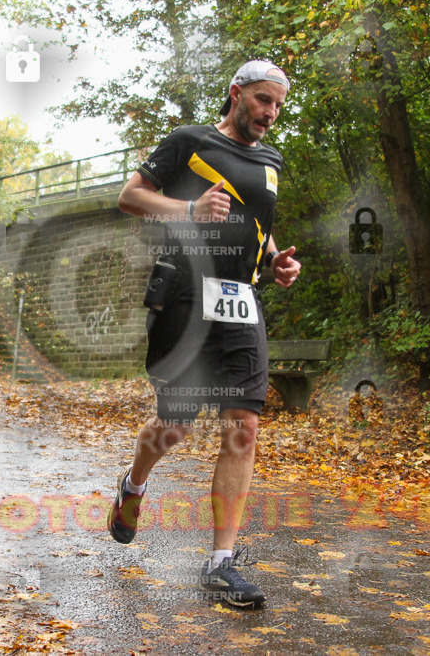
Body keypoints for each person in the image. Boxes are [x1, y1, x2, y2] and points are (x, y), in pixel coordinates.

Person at [107, 60, 302, 609]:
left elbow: (258, 226)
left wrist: (276, 260)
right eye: (263, 100)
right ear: (236, 93)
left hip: (241, 300)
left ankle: (221, 563)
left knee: (244, 424)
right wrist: (189, 208)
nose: (270, 113)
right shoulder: (188, 142)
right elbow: (131, 196)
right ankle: (134, 483)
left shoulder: (271, 160)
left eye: (278, 106)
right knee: (173, 426)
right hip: (187, 296)